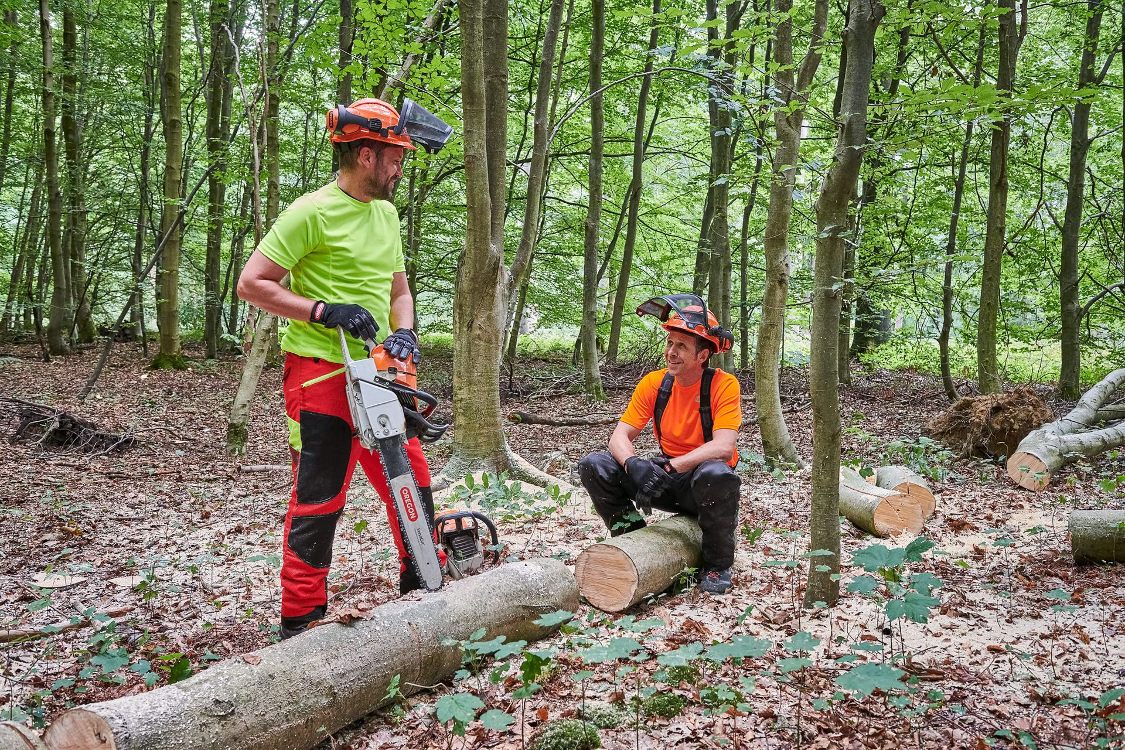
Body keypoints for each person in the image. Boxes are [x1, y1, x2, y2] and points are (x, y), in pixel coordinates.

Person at [236, 97, 452, 639]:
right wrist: (321, 310)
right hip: (320, 374)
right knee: (320, 495)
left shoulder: (387, 213)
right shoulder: (311, 212)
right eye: (394, 155)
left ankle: (421, 585)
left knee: (412, 481)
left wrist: (405, 330)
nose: (401, 166)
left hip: (377, 372)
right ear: (363, 154)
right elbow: (252, 283)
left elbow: (399, 291)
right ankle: (302, 616)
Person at [578, 294, 742, 594]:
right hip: (665, 478)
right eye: (670, 343)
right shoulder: (654, 383)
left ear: (702, 355)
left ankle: (717, 565)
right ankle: (632, 538)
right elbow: (619, 436)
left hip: (700, 484)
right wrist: (634, 464)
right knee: (595, 465)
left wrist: (671, 465)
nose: (671, 352)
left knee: (717, 474)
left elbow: (724, 447)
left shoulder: (723, 385)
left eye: (682, 346)